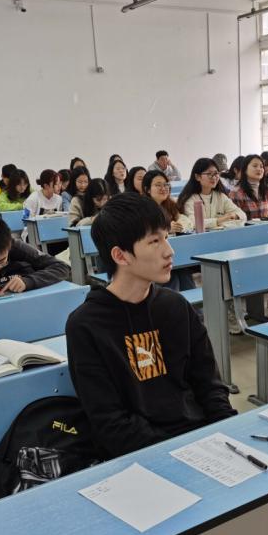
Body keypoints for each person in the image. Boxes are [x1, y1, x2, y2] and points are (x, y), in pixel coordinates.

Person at [64, 194, 236, 459]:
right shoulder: (86, 326)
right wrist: (176, 454)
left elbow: (210, 385)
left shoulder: (176, 307)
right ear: (120, 255)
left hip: (199, 442)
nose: (169, 251)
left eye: (166, 237)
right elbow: (110, 423)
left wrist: (229, 434)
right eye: (154, 241)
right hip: (141, 456)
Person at [178, 158, 245, 230]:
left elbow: (242, 215)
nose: (214, 177)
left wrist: (234, 215)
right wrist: (219, 220)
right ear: (197, 177)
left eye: (216, 173)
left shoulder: (220, 196)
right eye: (209, 174)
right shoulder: (190, 199)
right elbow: (193, 223)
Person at [228, 154, 268, 220]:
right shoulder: (236, 193)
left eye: (261, 166)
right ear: (245, 169)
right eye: (255, 166)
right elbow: (233, 219)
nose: (259, 169)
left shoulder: (266, 191)